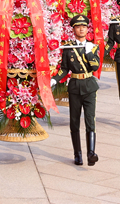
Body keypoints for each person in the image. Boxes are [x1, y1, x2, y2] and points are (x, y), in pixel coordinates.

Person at [50, 14, 101, 167]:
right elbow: (64, 69)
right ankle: (77, 153)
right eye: (78, 27)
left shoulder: (92, 46)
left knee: (90, 120)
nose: (81, 29)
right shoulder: (68, 48)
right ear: (73, 29)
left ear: (87, 29)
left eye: (84, 26)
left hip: (89, 86)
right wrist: (55, 79)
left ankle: (91, 152)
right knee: (74, 122)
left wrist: (89, 52)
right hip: (74, 86)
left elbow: (95, 66)